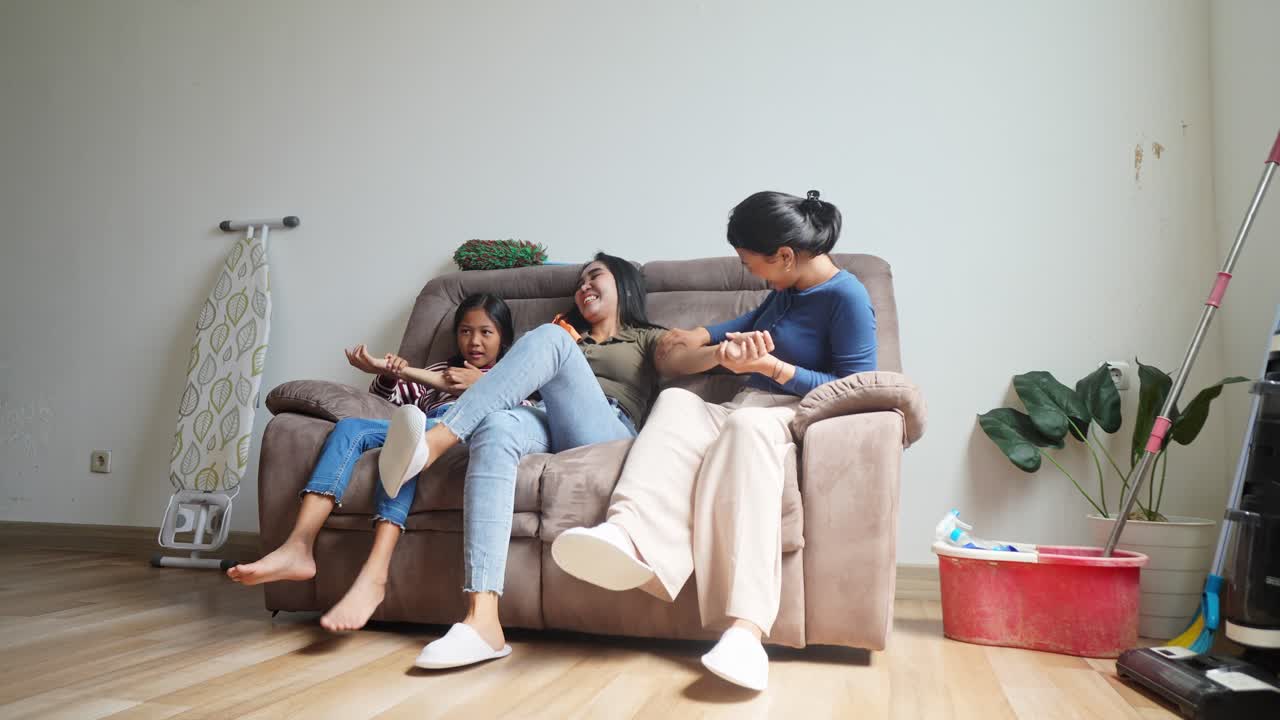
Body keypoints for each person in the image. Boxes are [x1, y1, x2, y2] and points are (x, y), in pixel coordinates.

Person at [551, 190, 877, 691]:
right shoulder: (783, 293)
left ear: (785, 256)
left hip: (792, 418)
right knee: (678, 403)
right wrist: (696, 339)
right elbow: (725, 332)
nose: (748, 271)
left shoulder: (846, 297)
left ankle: (745, 633)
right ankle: (627, 537)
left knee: (746, 428)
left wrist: (773, 367)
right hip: (742, 405)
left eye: (750, 262)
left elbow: (857, 388)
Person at [376, 252, 724, 669]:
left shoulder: (644, 337)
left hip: (608, 428)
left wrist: (722, 354)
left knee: (550, 338)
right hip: (544, 417)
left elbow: (683, 359)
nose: (583, 288)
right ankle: (483, 620)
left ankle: (434, 442)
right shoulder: (569, 333)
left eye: (595, 277)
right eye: (579, 282)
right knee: (498, 426)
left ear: (625, 286)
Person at [227, 293, 516, 632]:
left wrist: (482, 383)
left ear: (504, 337)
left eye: (486, 332)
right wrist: (390, 375)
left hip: (462, 435)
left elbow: (524, 417)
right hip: (421, 424)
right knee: (353, 427)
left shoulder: (512, 373)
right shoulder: (438, 369)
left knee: (408, 442)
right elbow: (385, 404)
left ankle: (374, 575)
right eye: (466, 331)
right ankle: (298, 545)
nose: (475, 341)